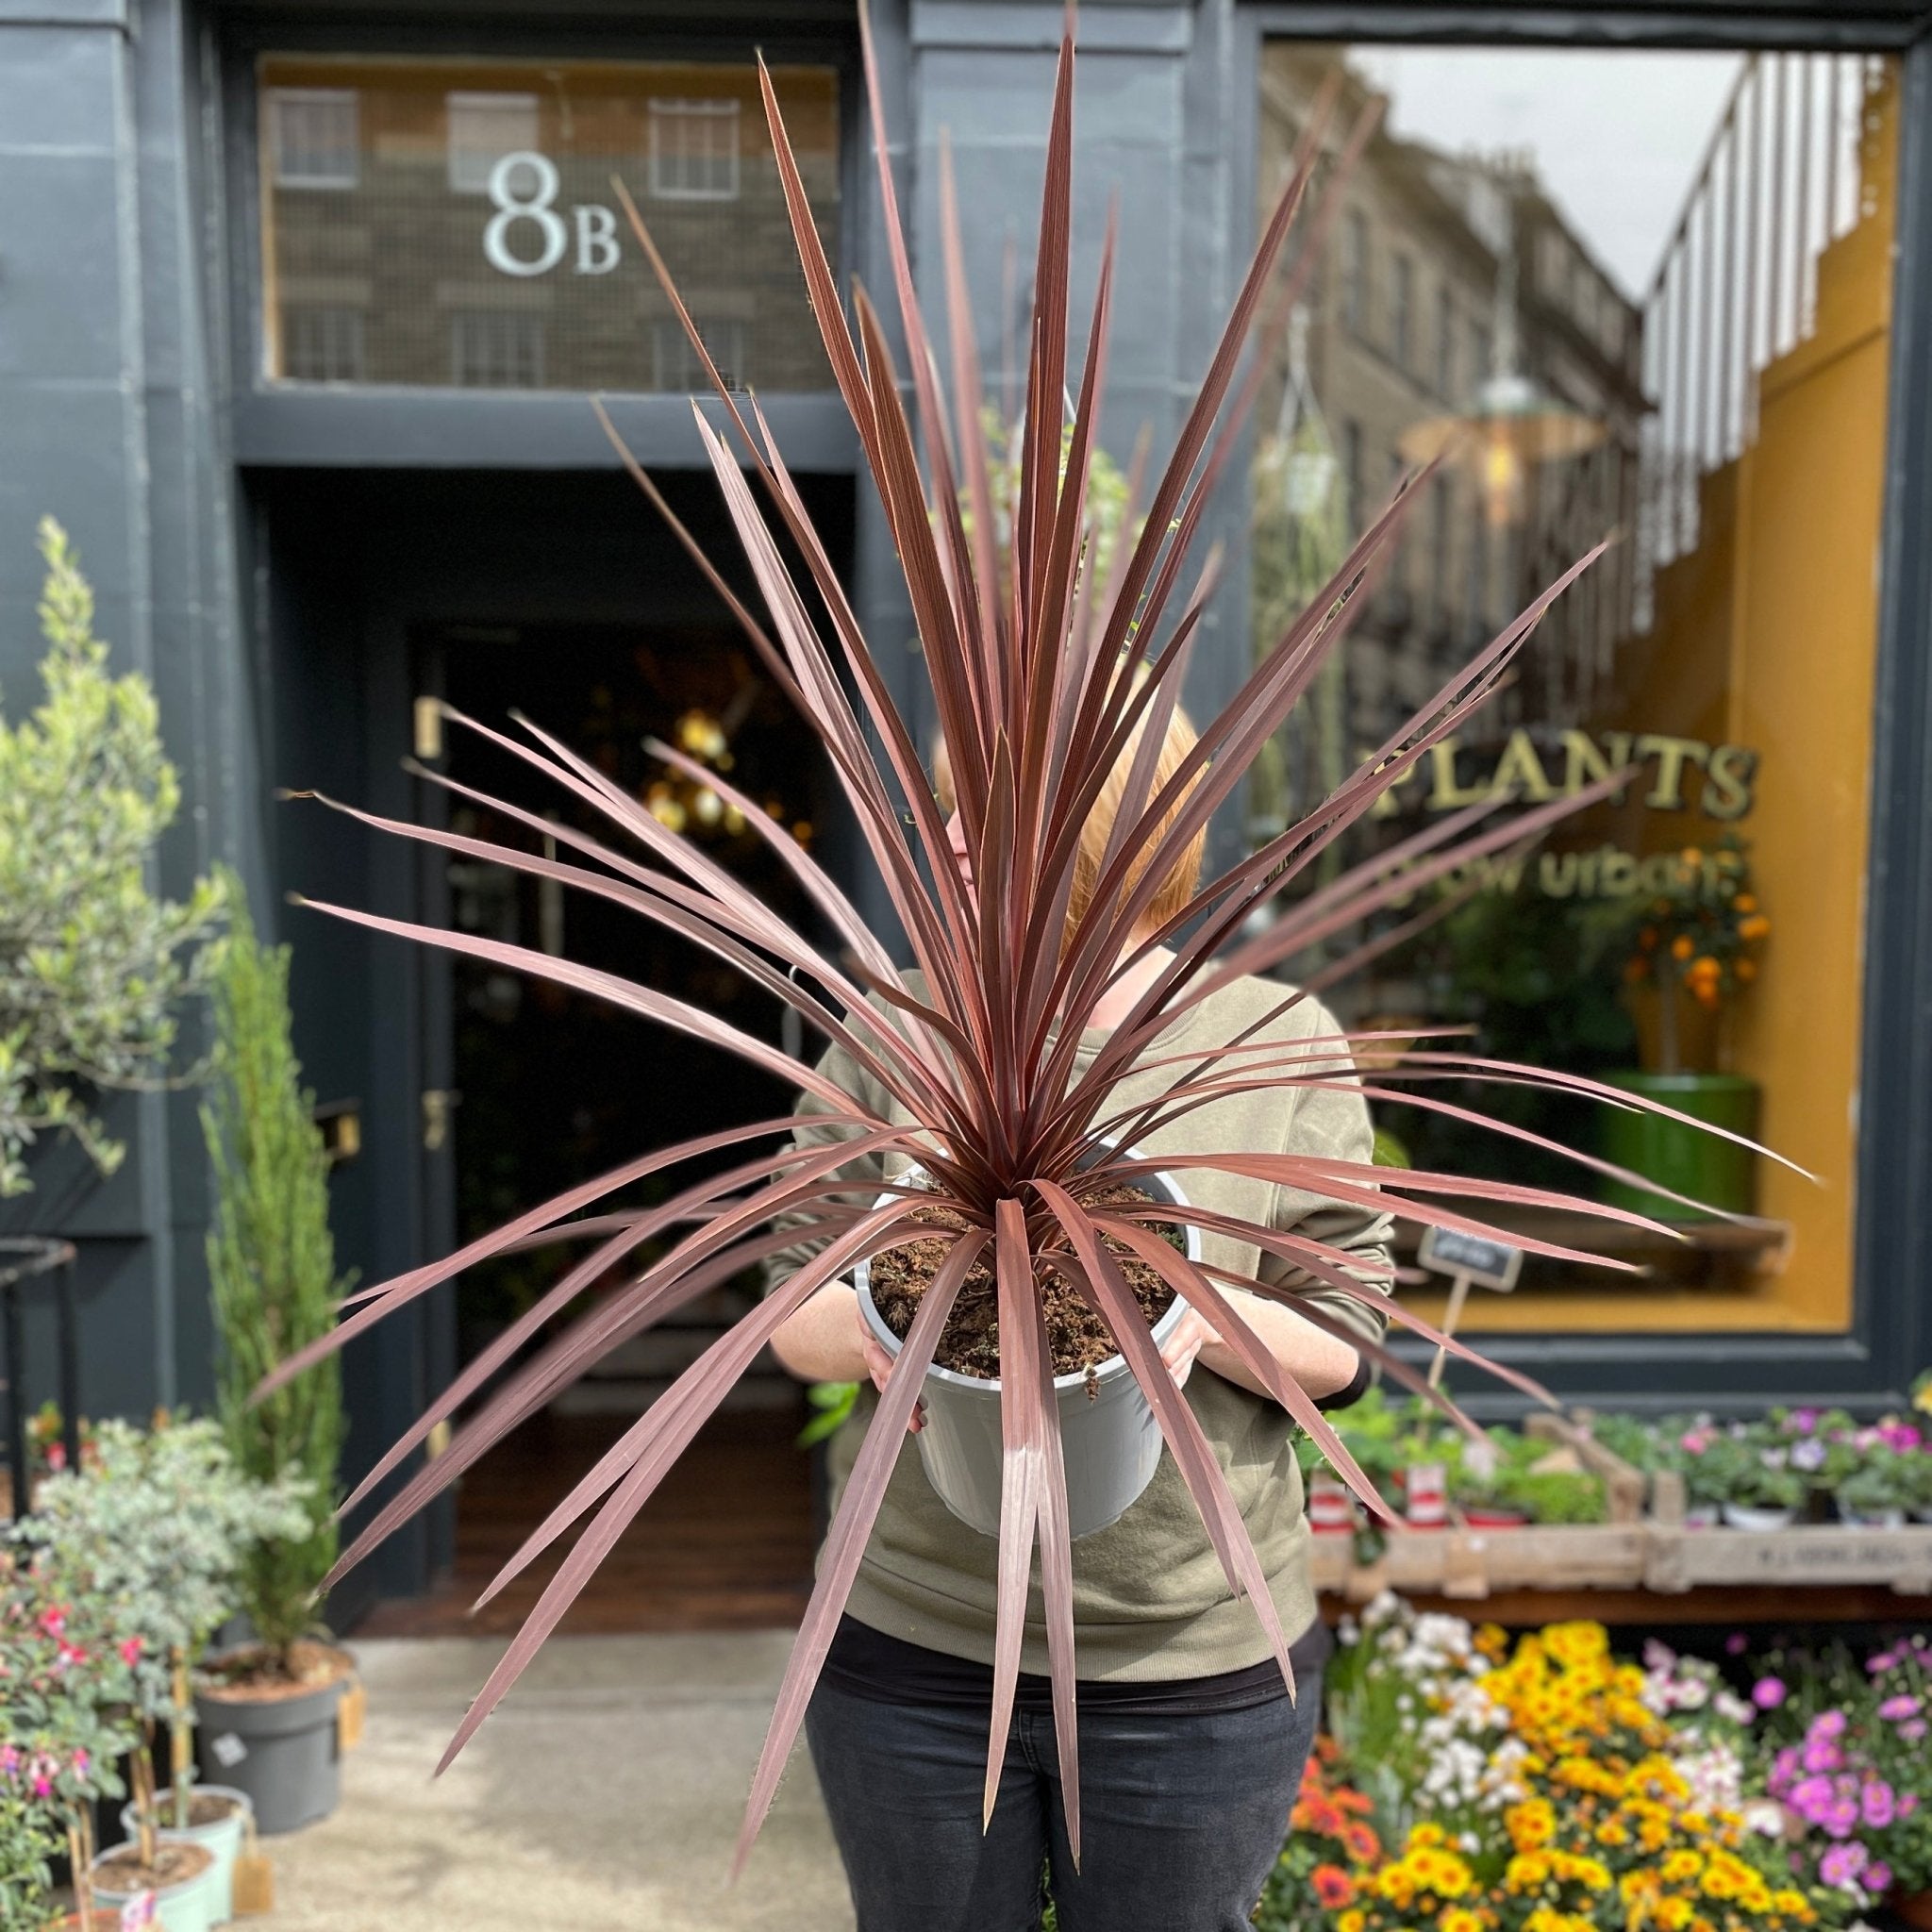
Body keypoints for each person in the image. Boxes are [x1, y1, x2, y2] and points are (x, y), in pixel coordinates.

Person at [767, 706, 1391, 1932]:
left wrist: (1190, 1306)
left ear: (1099, 828)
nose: (941, 835)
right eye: (945, 805)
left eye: (978, 809)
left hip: (1191, 1665)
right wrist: (912, 1323)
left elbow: (1350, 1348)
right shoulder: (894, 1028)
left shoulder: (1275, 1042)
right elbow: (793, 1314)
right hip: (916, 1643)